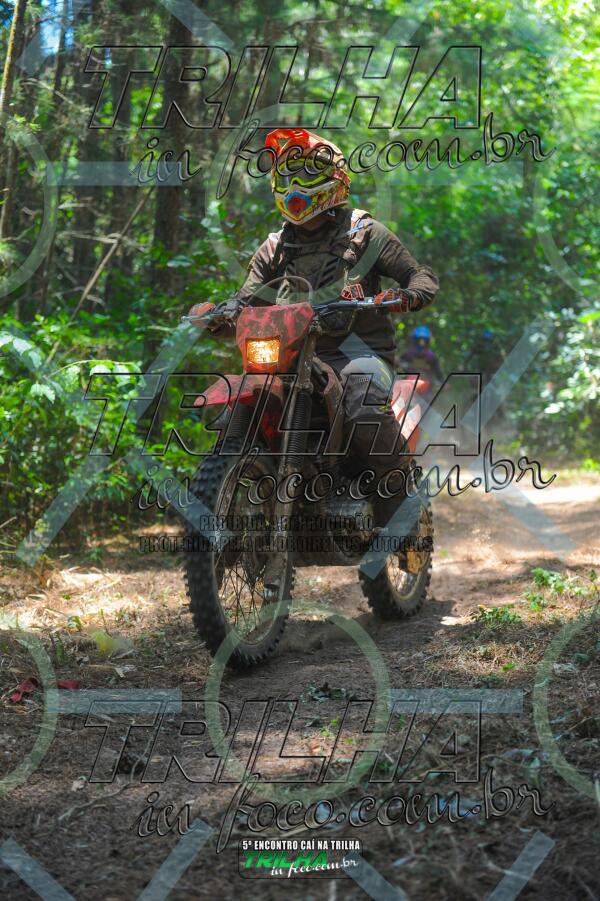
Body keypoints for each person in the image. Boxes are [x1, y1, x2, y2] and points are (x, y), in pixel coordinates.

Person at [208, 128, 439, 511]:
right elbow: (246, 298)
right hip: (291, 355)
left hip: (357, 352)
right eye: (288, 175)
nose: (296, 185)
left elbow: (420, 276)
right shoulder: (275, 246)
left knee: (363, 407)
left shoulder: (365, 232)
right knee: (245, 400)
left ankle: (401, 503)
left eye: (307, 173)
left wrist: (406, 294)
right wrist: (223, 312)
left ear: (334, 177)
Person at [397, 325, 444, 391]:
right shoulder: (408, 354)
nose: (421, 343)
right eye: (419, 340)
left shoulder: (431, 357)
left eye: (424, 341)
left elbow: (438, 372)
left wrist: (443, 383)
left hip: (426, 390)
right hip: (409, 388)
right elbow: (398, 367)